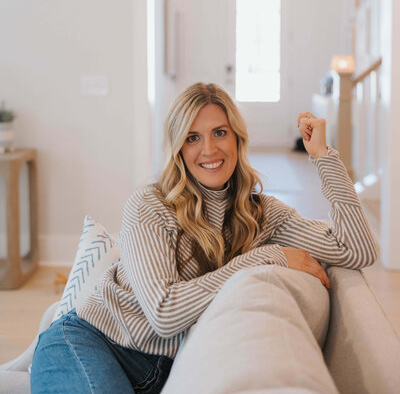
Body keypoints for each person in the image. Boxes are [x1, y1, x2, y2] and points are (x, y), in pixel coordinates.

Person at [31, 82, 377, 394]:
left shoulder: (261, 213)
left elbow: (357, 249)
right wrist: (266, 257)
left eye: (220, 133)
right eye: (193, 137)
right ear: (178, 148)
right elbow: (163, 313)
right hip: (91, 342)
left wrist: (323, 157)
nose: (209, 150)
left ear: (238, 138)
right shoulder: (150, 205)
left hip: (165, 371)